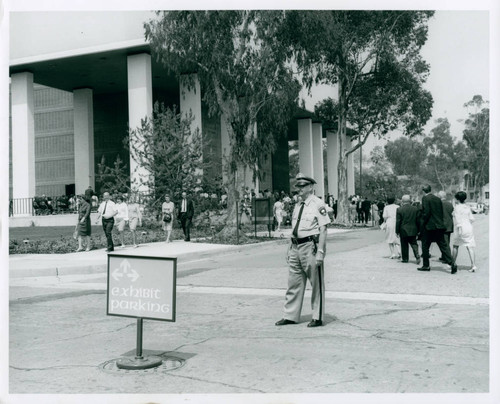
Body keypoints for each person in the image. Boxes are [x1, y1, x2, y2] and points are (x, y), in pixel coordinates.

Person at [275, 172, 331, 328]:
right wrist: (289, 247)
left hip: (310, 247)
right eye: (297, 186)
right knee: (294, 282)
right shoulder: (298, 205)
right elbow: (295, 228)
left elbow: (323, 229)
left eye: (302, 186)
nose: (298, 189)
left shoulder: (318, 204)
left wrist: (320, 251)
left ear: (311, 187)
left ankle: (317, 316)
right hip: (295, 246)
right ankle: (290, 316)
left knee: (316, 283)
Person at [417, 185, 457, 274]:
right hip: (439, 225)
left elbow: (426, 212)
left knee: (425, 246)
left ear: (423, 191)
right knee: (443, 245)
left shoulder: (425, 199)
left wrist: (422, 223)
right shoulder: (437, 199)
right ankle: (451, 262)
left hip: (429, 226)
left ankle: (426, 265)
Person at [451, 191, 477, 272]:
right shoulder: (467, 207)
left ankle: (453, 264)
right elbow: (472, 219)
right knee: (470, 246)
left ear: (457, 199)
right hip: (468, 227)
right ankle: (473, 265)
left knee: (455, 246)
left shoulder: (457, 207)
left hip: (460, 228)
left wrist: (459, 227)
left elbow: (458, 220)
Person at [395, 195, 421, 264]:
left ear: (402, 201)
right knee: (414, 243)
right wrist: (418, 230)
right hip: (413, 229)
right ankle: (417, 255)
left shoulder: (399, 209)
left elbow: (398, 221)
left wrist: (397, 231)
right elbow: (418, 220)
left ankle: (405, 258)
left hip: (403, 229)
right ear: (410, 201)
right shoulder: (415, 209)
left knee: (404, 244)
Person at [438, 190, 454, 262]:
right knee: (447, 241)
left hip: (442, 225)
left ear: (439, 197)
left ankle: (448, 258)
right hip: (449, 225)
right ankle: (444, 256)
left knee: (444, 243)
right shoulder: (450, 204)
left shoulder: (439, 204)